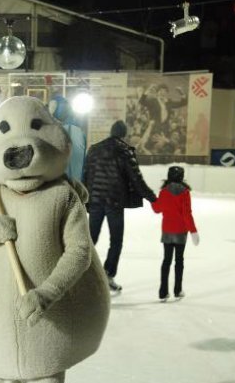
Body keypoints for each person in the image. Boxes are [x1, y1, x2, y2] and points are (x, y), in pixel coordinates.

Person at [83, 120, 157, 292]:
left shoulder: (94, 149)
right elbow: (136, 179)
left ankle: (82, 274)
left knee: (90, 239)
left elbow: (85, 174)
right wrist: (153, 198)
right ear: (124, 134)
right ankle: (108, 274)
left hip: (95, 200)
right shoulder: (124, 151)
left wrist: (85, 199)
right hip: (114, 202)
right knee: (115, 241)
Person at [151, 166, 199, 301]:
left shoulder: (164, 191)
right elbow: (187, 214)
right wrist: (193, 231)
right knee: (179, 261)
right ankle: (177, 290)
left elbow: (157, 209)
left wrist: (153, 199)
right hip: (180, 231)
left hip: (167, 230)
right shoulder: (185, 192)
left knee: (166, 260)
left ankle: (163, 291)